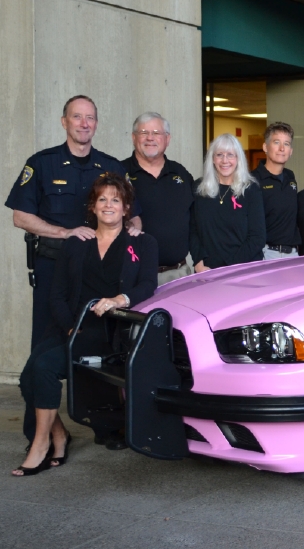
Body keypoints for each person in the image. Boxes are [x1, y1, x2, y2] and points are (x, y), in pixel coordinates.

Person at [5, 95, 139, 451]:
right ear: (64, 121)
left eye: (90, 118)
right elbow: (21, 216)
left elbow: (131, 211)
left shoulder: (110, 167)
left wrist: (136, 228)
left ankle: (108, 427)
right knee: (44, 354)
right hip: (53, 272)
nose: (84, 124)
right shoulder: (42, 164)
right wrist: (64, 232)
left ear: (96, 123)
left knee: (102, 347)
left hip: (99, 274)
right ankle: (44, 433)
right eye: (77, 117)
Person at [13, 173, 158, 476]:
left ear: (126, 207)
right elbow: (58, 294)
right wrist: (70, 328)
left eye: (115, 200)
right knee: (28, 376)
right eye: (102, 199)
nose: (108, 205)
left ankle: (41, 445)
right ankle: (58, 435)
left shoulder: (143, 243)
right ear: (92, 206)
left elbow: (147, 286)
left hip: (108, 332)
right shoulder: (77, 243)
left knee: (43, 369)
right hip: (71, 326)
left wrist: (121, 298)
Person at [122, 112, 195, 285]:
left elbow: (196, 221)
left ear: (167, 139)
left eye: (156, 133)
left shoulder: (181, 173)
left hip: (178, 274)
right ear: (134, 137)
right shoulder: (119, 173)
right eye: (143, 132)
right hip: (134, 276)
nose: (150, 138)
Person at [190, 134, 265, 271]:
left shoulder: (250, 190)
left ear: (238, 159)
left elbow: (257, 238)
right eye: (219, 155)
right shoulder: (198, 189)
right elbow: (193, 230)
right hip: (207, 271)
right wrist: (198, 262)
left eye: (230, 155)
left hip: (242, 270)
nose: (225, 160)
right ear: (212, 159)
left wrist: (229, 268)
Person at [253, 122, 302, 260]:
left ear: (291, 151)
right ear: (265, 147)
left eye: (286, 144)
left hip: (292, 254)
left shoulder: (290, 177)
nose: (282, 148)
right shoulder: (252, 180)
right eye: (276, 142)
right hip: (265, 253)